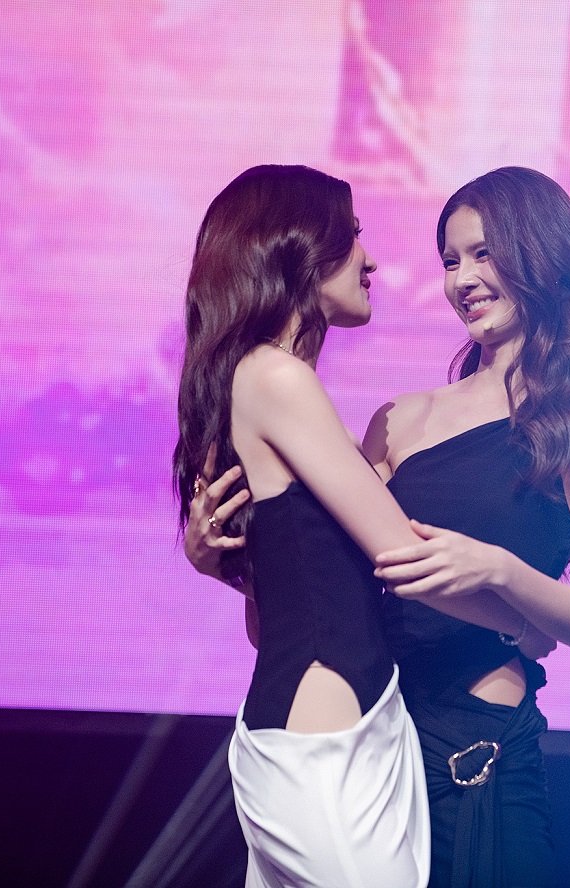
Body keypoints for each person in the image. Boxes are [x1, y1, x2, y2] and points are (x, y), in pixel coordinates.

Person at [188, 166, 570, 887]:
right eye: (450, 261)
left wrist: (501, 572)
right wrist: (234, 572)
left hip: (479, 752)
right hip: (378, 738)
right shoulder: (399, 419)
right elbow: (315, 596)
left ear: (543, 252)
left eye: (484, 254)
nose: (463, 279)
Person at [174, 164, 441, 887]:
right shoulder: (274, 377)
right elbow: (400, 552)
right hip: (326, 744)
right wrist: (523, 599)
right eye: (351, 236)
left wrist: (224, 571)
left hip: (328, 727)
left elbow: (279, 615)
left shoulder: (254, 382)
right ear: (295, 249)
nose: (370, 259)